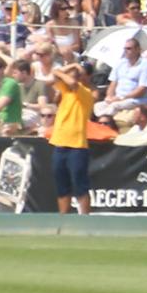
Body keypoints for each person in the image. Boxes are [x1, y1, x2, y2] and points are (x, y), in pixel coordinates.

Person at [48, 57, 97, 216]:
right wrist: (73, 65)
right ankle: (63, 218)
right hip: (60, 144)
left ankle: (85, 218)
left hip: (77, 146)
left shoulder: (86, 93)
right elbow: (54, 74)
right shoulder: (65, 91)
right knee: (62, 185)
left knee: (80, 185)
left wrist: (73, 71)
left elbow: (72, 82)